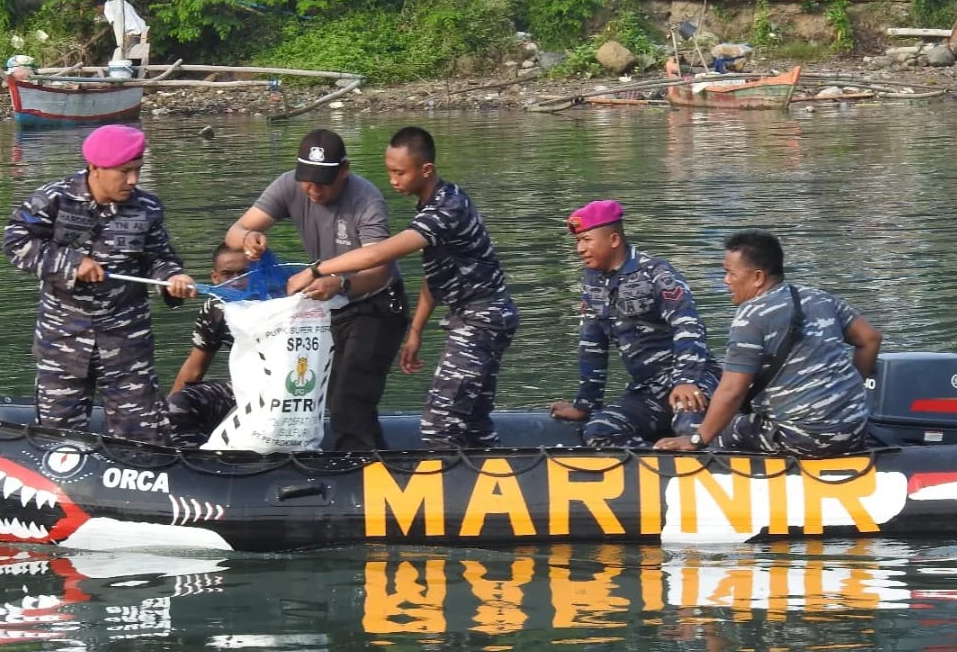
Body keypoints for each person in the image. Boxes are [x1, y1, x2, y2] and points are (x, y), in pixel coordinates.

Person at [295, 126, 519, 450]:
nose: (392, 180)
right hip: (478, 315)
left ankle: (445, 494)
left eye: (400, 172)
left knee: (437, 426)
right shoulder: (431, 205)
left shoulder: (446, 209)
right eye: (389, 171)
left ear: (425, 170)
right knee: (473, 423)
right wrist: (415, 330)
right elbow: (435, 274)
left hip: (483, 318)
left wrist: (316, 269)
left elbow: (377, 253)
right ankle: (503, 482)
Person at [2, 124, 196, 441]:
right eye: (124, 172)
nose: (133, 180)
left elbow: (158, 258)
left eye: (137, 170)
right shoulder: (54, 200)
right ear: (95, 168)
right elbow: (15, 243)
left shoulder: (147, 208)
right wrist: (71, 264)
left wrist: (173, 278)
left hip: (127, 344)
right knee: (58, 440)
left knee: (144, 439)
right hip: (63, 341)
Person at [226, 128, 410, 451]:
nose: (313, 190)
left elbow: (379, 270)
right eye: (307, 180)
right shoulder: (289, 186)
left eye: (323, 181)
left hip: (375, 303)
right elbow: (236, 230)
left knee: (350, 398)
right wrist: (247, 240)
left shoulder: (367, 201)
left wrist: (341, 282)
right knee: (329, 395)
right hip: (330, 307)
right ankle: (360, 453)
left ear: (345, 170)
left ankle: (360, 473)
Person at [657, 229, 882, 457]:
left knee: (696, 425)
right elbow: (870, 339)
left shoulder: (751, 316)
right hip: (854, 429)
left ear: (758, 277)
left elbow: (732, 391)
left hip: (803, 438)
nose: (726, 281)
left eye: (730, 273)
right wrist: (845, 394)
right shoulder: (818, 297)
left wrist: (697, 439)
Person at [548, 200, 720, 449]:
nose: (580, 249)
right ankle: (658, 464)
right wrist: (585, 405)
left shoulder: (656, 273)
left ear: (614, 240)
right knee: (598, 432)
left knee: (689, 428)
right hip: (649, 389)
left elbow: (689, 326)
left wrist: (686, 379)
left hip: (693, 380)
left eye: (587, 240)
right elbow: (592, 346)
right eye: (578, 241)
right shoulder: (592, 281)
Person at [164, 243, 248, 447]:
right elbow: (195, 369)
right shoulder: (215, 308)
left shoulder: (283, 303)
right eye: (228, 274)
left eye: (244, 273)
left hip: (285, 393)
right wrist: (166, 411)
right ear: (215, 278)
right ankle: (194, 463)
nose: (236, 282)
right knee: (179, 403)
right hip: (242, 389)